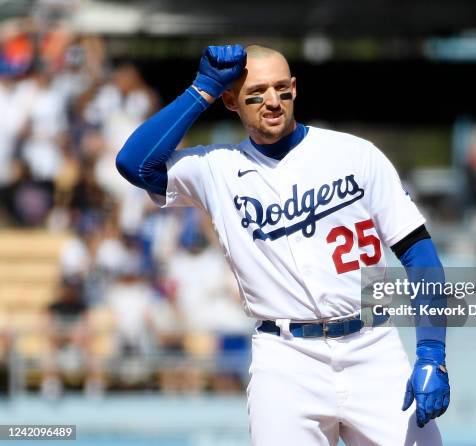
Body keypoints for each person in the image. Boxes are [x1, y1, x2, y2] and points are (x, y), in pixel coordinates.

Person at [116, 44, 450, 445]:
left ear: (294, 88)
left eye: (281, 89)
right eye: (255, 93)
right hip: (286, 361)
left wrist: (432, 353)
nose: (272, 101)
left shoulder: (355, 154)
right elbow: (134, 163)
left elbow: (419, 253)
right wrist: (200, 88)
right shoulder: (214, 167)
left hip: (372, 346)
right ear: (230, 101)